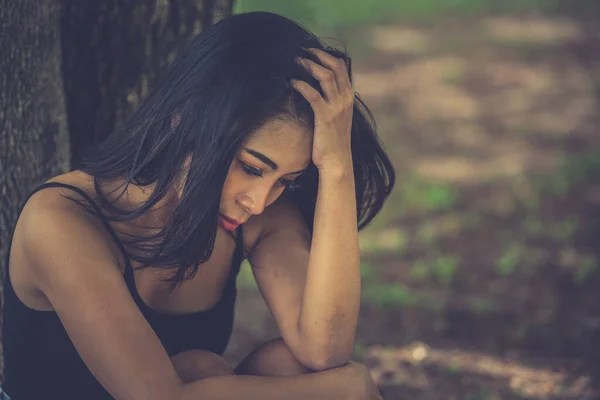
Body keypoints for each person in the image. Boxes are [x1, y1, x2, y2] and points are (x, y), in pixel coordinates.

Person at [2, 11, 394, 400]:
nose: (258, 202)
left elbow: (323, 349)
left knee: (274, 368)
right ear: (186, 120)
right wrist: (342, 391)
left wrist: (337, 167)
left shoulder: (259, 213)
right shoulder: (60, 221)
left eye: (286, 181)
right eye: (252, 167)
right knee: (202, 371)